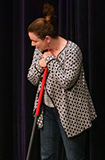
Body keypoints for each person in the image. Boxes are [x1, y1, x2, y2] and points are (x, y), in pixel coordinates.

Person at [27, 3, 97, 160]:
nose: (32, 44)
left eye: (35, 41)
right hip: (48, 110)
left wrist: (51, 60)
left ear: (47, 39)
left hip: (71, 111)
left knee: (74, 156)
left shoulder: (72, 50)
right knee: (47, 155)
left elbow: (67, 82)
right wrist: (40, 65)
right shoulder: (39, 51)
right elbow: (32, 78)